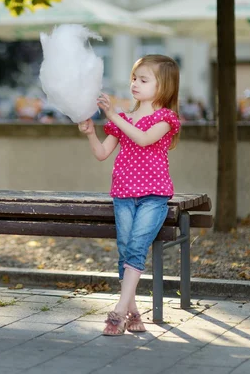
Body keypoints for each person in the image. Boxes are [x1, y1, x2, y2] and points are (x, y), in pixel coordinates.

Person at [78, 54, 181, 336]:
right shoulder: (123, 119)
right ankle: (133, 312)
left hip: (153, 197)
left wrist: (112, 116)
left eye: (143, 79)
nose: (135, 83)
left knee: (135, 248)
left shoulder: (166, 118)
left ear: (165, 86)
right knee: (125, 250)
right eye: (134, 78)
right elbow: (102, 154)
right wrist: (90, 133)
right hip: (123, 195)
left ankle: (119, 312)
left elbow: (143, 138)